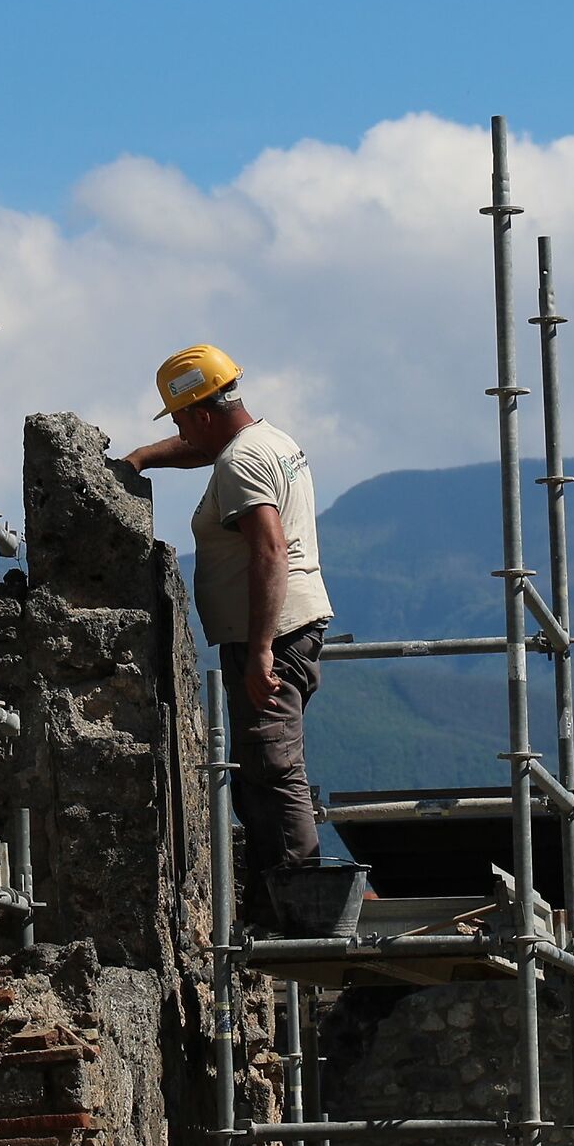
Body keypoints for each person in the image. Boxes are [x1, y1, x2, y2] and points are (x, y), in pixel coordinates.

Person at [122, 344, 334, 922]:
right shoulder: (270, 442)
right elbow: (205, 449)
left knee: (272, 768)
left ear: (202, 414)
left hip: (275, 633)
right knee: (262, 773)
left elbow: (268, 550)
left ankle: (302, 914)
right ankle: (277, 904)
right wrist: (142, 458)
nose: (182, 431)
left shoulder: (238, 463)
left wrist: (261, 650)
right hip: (296, 625)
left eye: (182, 419)